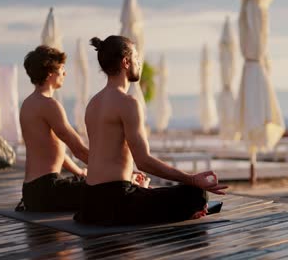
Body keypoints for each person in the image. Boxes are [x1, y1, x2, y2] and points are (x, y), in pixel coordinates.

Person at [74, 35, 227, 226]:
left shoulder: (93, 103)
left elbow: (106, 157)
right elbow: (144, 161)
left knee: (153, 192)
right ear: (126, 61)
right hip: (115, 203)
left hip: (89, 203)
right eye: (136, 57)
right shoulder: (127, 103)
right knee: (195, 194)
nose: (139, 62)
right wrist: (192, 179)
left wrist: (131, 181)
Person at [17, 45, 89, 212]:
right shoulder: (49, 105)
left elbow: (53, 150)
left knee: (88, 181)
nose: (65, 73)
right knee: (108, 190)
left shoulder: (28, 104)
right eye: (62, 68)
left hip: (31, 191)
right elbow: (79, 150)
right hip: (48, 190)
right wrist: (110, 170)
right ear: (50, 72)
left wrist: (79, 171)